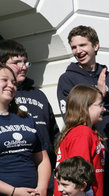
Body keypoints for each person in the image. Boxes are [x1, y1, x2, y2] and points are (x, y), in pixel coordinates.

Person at [0, 64, 51, 196]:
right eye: (4, 80)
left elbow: (43, 159)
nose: (10, 85)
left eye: (13, 82)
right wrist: (13, 192)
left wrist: (42, 188)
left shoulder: (26, 118)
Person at [0, 39, 59, 170]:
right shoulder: (6, 96)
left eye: (25, 62)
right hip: (15, 170)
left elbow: (54, 132)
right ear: (2, 65)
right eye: (16, 62)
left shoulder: (38, 94)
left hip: (46, 168)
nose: (24, 67)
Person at [54, 84, 106, 196]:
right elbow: (78, 175)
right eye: (100, 105)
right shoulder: (82, 133)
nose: (104, 109)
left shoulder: (85, 132)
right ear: (84, 107)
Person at [57, 26, 109, 116]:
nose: (78, 51)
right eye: (74, 47)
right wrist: (99, 95)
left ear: (95, 46)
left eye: (82, 45)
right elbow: (70, 117)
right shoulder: (67, 79)